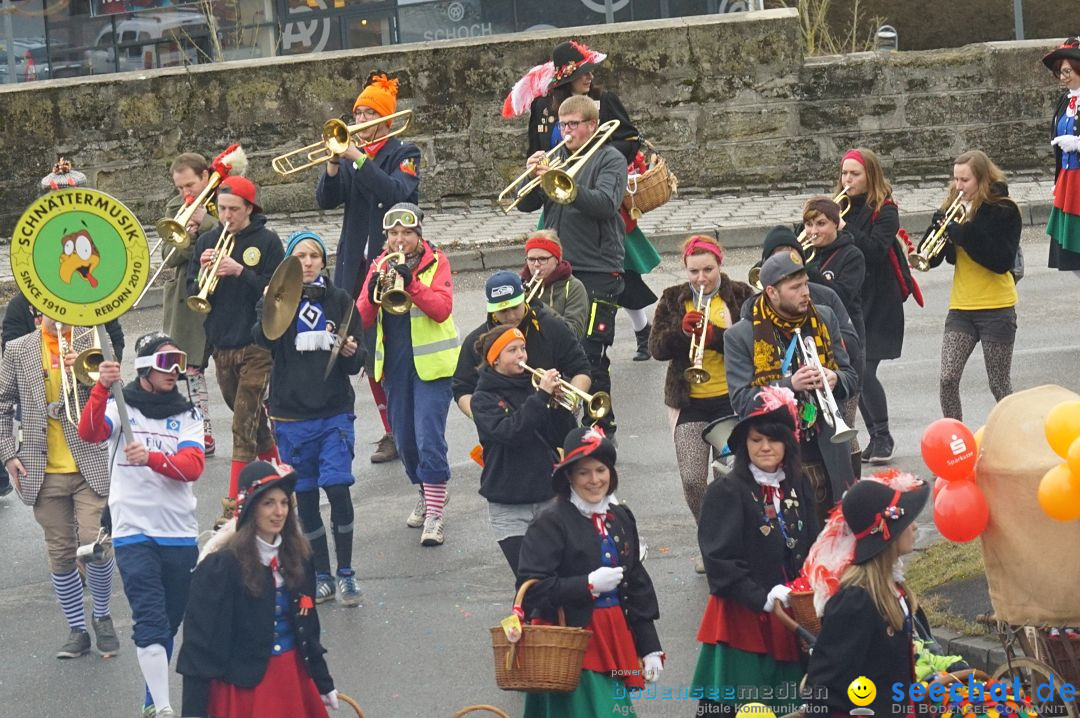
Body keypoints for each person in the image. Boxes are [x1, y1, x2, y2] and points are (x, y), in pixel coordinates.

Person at [505, 39, 659, 362]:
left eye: (590, 71)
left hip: (597, 192)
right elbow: (537, 149)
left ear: (590, 125)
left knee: (624, 270)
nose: (589, 77)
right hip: (558, 198)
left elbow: (629, 140)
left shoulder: (603, 102)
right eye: (582, 73)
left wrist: (598, 166)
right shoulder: (542, 108)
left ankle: (642, 328)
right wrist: (536, 174)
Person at [77, 332, 205, 718]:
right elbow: (90, 432)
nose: (176, 370)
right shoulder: (121, 405)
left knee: (169, 622)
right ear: (146, 367)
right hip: (133, 530)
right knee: (149, 618)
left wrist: (150, 457)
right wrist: (101, 387)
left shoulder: (188, 414)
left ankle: (153, 698)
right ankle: (164, 708)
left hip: (179, 533)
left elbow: (193, 467)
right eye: (167, 362)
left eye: (180, 361)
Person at [516, 426, 664, 716]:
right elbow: (532, 591)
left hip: (613, 634)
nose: (595, 480)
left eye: (601, 470)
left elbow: (636, 583)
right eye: (584, 472)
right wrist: (586, 584)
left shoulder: (620, 516)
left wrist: (650, 646)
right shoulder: (550, 521)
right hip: (568, 641)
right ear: (568, 476)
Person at [692, 386, 820, 717]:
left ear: (786, 443)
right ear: (744, 445)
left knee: (793, 705)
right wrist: (760, 596)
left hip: (791, 614)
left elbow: (812, 543)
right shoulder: (726, 492)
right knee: (744, 705)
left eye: (773, 439)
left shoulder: (799, 483)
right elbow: (718, 561)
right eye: (756, 440)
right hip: (743, 618)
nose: (765, 447)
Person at [253, 230, 365, 607]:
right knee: (306, 498)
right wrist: (272, 304)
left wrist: (350, 351)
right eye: (299, 256)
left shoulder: (339, 300)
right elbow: (261, 340)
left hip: (333, 411)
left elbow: (356, 363)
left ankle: (346, 572)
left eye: (314, 255)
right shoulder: (277, 298)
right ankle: (320, 574)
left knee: (337, 488)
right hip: (290, 415)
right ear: (290, 262)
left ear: (323, 261)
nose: (308, 261)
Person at [177, 461, 338, 718]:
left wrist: (322, 681)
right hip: (245, 690)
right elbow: (200, 647)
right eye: (268, 503)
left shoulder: (299, 557)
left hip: (293, 680)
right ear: (250, 508)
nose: (279, 512)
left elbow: (309, 628)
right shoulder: (220, 568)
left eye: (284, 502)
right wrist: (193, 713)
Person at [316, 70, 421, 464]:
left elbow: (397, 194)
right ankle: (389, 428)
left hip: (391, 262)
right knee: (364, 351)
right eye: (357, 114)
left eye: (365, 115)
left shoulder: (404, 153)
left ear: (385, 120)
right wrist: (331, 165)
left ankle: (402, 425)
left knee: (391, 349)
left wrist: (358, 159)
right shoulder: (347, 156)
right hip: (353, 265)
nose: (358, 121)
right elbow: (326, 200)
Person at [0, 317, 118, 658]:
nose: (59, 315)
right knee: (61, 553)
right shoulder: (18, 348)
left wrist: (90, 373)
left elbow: (114, 391)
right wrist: (8, 455)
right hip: (42, 467)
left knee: (93, 544)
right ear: (39, 310)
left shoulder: (92, 336)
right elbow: (3, 405)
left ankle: (102, 616)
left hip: (89, 461)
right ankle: (77, 629)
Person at [516, 93, 628, 434]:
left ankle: (599, 424)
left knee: (590, 351)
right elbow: (525, 205)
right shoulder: (555, 159)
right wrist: (532, 176)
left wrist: (566, 184)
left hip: (598, 267)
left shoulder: (610, 159)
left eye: (573, 124)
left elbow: (606, 205)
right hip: (557, 267)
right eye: (562, 125)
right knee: (553, 348)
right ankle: (561, 425)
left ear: (592, 126)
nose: (566, 132)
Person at [725, 251, 859, 525]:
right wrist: (789, 385)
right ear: (772, 292)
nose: (805, 293)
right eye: (795, 287)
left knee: (839, 532)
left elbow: (851, 376)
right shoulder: (740, 335)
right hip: (778, 449)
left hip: (826, 445)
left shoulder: (824, 318)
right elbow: (741, 401)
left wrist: (836, 378)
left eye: (806, 284)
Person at [357, 202, 458, 546]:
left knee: (429, 438)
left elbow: (442, 310)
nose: (400, 241)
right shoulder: (379, 266)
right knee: (405, 440)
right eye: (394, 234)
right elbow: (362, 318)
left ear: (419, 235)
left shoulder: (436, 263)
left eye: (407, 234)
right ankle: (427, 492)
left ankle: (435, 513)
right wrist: (372, 293)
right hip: (396, 368)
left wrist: (412, 284)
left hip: (432, 367)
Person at [186, 175, 284, 525]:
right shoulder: (208, 241)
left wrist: (241, 271)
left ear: (249, 209)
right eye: (221, 208)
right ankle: (280, 476)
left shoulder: (268, 242)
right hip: (222, 344)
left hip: (257, 344)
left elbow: (278, 294)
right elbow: (191, 292)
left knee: (242, 423)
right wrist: (202, 270)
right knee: (255, 424)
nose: (227, 216)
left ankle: (234, 506)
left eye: (234, 209)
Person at [648, 236, 753, 542]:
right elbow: (656, 348)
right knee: (693, 480)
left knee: (733, 475)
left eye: (708, 269)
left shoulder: (742, 295)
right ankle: (711, 535)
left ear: (720, 265)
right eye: (694, 271)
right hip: (689, 402)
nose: (701, 278)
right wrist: (682, 332)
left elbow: (756, 344)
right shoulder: (671, 298)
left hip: (731, 401)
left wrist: (715, 336)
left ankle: (740, 535)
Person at [805, 476, 930, 717]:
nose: (914, 527)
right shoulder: (856, 601)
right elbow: (824, 689)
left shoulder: (892, 588)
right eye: (907, 522)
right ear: (887, 532)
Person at [470, 326, 576, 575]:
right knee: (530, 580)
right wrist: (540, 398)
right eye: (512, 350)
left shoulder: (535, 389)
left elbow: (561, 437)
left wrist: (559, 406)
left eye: (523, 348)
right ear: (495, 358)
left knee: (561, 574)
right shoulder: (482, 398)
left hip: (547, 495)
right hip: (508, 503)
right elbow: (511, 432)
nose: (522, 356)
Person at [930, 150, 1021, 421]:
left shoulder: (1004, 210)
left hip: (997, 308)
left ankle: (1014, 434)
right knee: (947, 378)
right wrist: (937, 234)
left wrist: (963, 235)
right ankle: (954, 438)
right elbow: (935, 260)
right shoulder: (953, 208)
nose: (958, 186)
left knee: (999, 384)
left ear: (982, 179)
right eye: (956, 179)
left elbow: (1000, 260)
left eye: (965, 180)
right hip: (961, 308)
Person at [837, 148, 906, 465]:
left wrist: (842, 228)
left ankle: (883, 437)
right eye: (845, 173)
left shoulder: (885, 210)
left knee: (863, 370)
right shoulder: (840, 206)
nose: (847, 180)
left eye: (855, 174)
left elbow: (876, 252)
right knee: (855, 370)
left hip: (880, 301)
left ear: (870, 176)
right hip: (852, 299)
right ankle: (876, 438)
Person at [452, 270, 591, 421]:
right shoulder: (476, 341)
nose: (511, 316)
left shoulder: (552, 327)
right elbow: (462, 389)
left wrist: (571, 401)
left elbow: (581, 368)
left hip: (553, 421)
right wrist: (482, 417)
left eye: (515, 307)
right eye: (503, 311)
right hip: (504, 428)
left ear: (524, 299)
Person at [162, 152, 222, 456]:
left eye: (190, 186)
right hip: (188, 295)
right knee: (192, 370)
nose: (185, 193)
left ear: (205, 177)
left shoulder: (226, 195)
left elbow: (240, 231)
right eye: (180, 187)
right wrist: (191, 239)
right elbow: (168, 259)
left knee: (234, 365)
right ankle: (202, 430)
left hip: (224, 292)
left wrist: (208, 223)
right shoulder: (175, 209)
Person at [803, 196, 866, 472]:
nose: (813, 230)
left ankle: (853, 485)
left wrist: (808, 274)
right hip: (811, 351)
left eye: (821, 223)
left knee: (843, 429)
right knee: (816, 428)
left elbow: (840, 293)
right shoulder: (805, 252)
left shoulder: (851, 255)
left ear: (836, 225)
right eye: (808, 224)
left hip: (845, 351)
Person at [1043, 37, 1080, 275]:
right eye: (1059, 72)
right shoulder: (1065, 99)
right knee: (1072, 256)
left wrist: (1078, 143)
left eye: (1067, 71)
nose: (1063, 77)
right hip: (1069, 182)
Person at [520, 231, 589, 339]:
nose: (536, 264)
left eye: (543, 259)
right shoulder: (521, 284)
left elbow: (574, 333)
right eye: (531, 259)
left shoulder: (574, 287)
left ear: (557, 260)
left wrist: (540, 307)